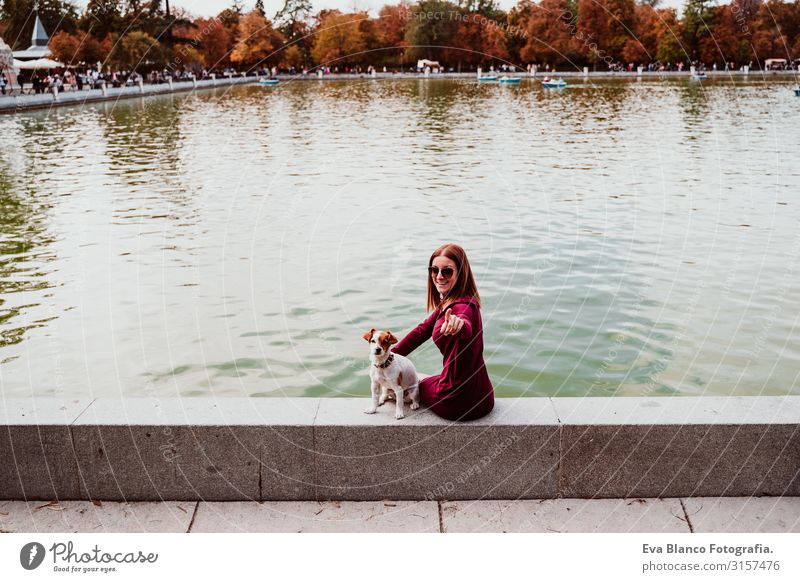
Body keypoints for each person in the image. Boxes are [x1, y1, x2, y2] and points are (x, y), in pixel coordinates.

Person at [391, 243, 494, 421]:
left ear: (460, 273)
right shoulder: (456, 300)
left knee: (406, 384)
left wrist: (458, 324)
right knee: (424, 376)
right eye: (434, 270)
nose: (439, 277)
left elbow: (464, 323)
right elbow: (422, 330)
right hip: (483, 396)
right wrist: (389, 355)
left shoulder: (462, 307)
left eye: (447, 271)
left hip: (456, 403)